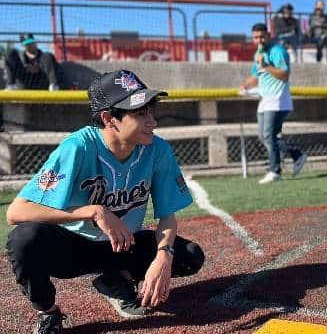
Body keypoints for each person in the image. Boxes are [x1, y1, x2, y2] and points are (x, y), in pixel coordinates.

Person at [5, 69, 205, 333]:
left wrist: (163, 257)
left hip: (123, 245)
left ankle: (115, 279)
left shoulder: (157, 150)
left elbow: (167, 215)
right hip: (73, 248)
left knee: (189, 256)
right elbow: (17, 211)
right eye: (140, 114)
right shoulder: (78, 147)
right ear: (109, 118)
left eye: (151, 112)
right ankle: (48, 312)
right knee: (24, 239)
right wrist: (92, 211)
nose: (152, 122)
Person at [241, 23, 307, 184]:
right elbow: (256, 75)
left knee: (269, 136)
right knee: (265, 137)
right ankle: (296, 154)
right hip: (265, 100)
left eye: (262, 36)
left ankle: (275, 170)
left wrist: (266, 65)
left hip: (278, 101)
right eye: (256, 37)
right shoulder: (259, 52)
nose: (259, 40)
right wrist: (245, 85)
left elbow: (284, 75)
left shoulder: (278, 51)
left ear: (268, 35)